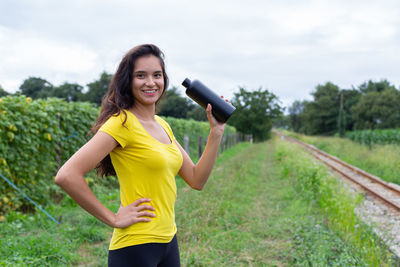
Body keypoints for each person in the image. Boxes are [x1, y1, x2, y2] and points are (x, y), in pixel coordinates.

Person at [55, 44, 227, 267]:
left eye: (157, 75)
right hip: (135, 247)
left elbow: (196, 179)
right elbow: (66, 176)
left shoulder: (163, 125)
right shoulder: (121, 124)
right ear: (128, 81)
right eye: (140, 75)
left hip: (168, 240)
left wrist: (216, 132)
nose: (150, 82)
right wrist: (113, 218)